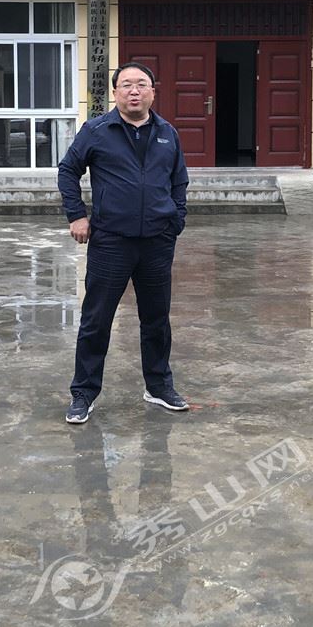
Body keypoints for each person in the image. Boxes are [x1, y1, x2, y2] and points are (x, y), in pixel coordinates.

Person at [58, 61, 190, 425]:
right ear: (115, 92)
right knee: (96, 320)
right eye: (127, 84)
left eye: (142, 84)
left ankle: (159, 386)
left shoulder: (167, 133)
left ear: (152, 92)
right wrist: (77, 215)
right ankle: (84, 393)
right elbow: (68, 170)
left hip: (157, 242)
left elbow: (179, 180)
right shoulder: (97, 130)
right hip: (111, 241)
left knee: (156, 319)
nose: (135, 91)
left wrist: (176, 220)